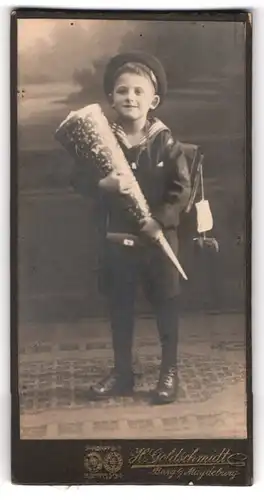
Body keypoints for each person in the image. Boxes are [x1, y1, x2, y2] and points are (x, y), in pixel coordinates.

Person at [72, 52, 191, 404]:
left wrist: (161, 219)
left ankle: (168, 370)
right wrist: (101, 184)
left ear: (152, 100)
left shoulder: (165, 141)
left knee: (166, 305)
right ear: (111, 97)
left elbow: (181, 190)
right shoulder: (100, 142)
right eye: (122, 91)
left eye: (139, 92)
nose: (130, 98)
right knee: (120, 306)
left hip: (157, 237)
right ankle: (123, 372)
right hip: (117, 238)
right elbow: (76, 178)